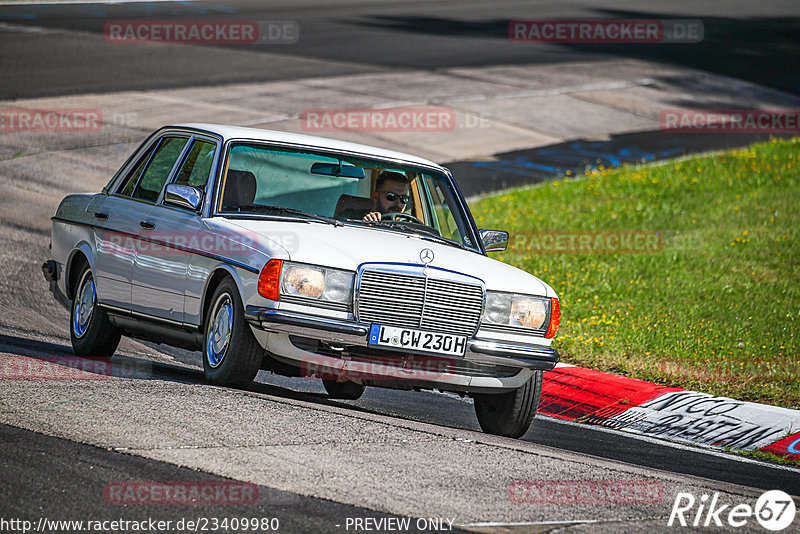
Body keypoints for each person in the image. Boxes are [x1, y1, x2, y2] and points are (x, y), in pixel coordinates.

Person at [339, 170, 411, 221]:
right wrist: (364, 225)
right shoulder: (352, 216)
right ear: (376, 197)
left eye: (403, 198)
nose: (398, 204)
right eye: (391, 196)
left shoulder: (411, 227)